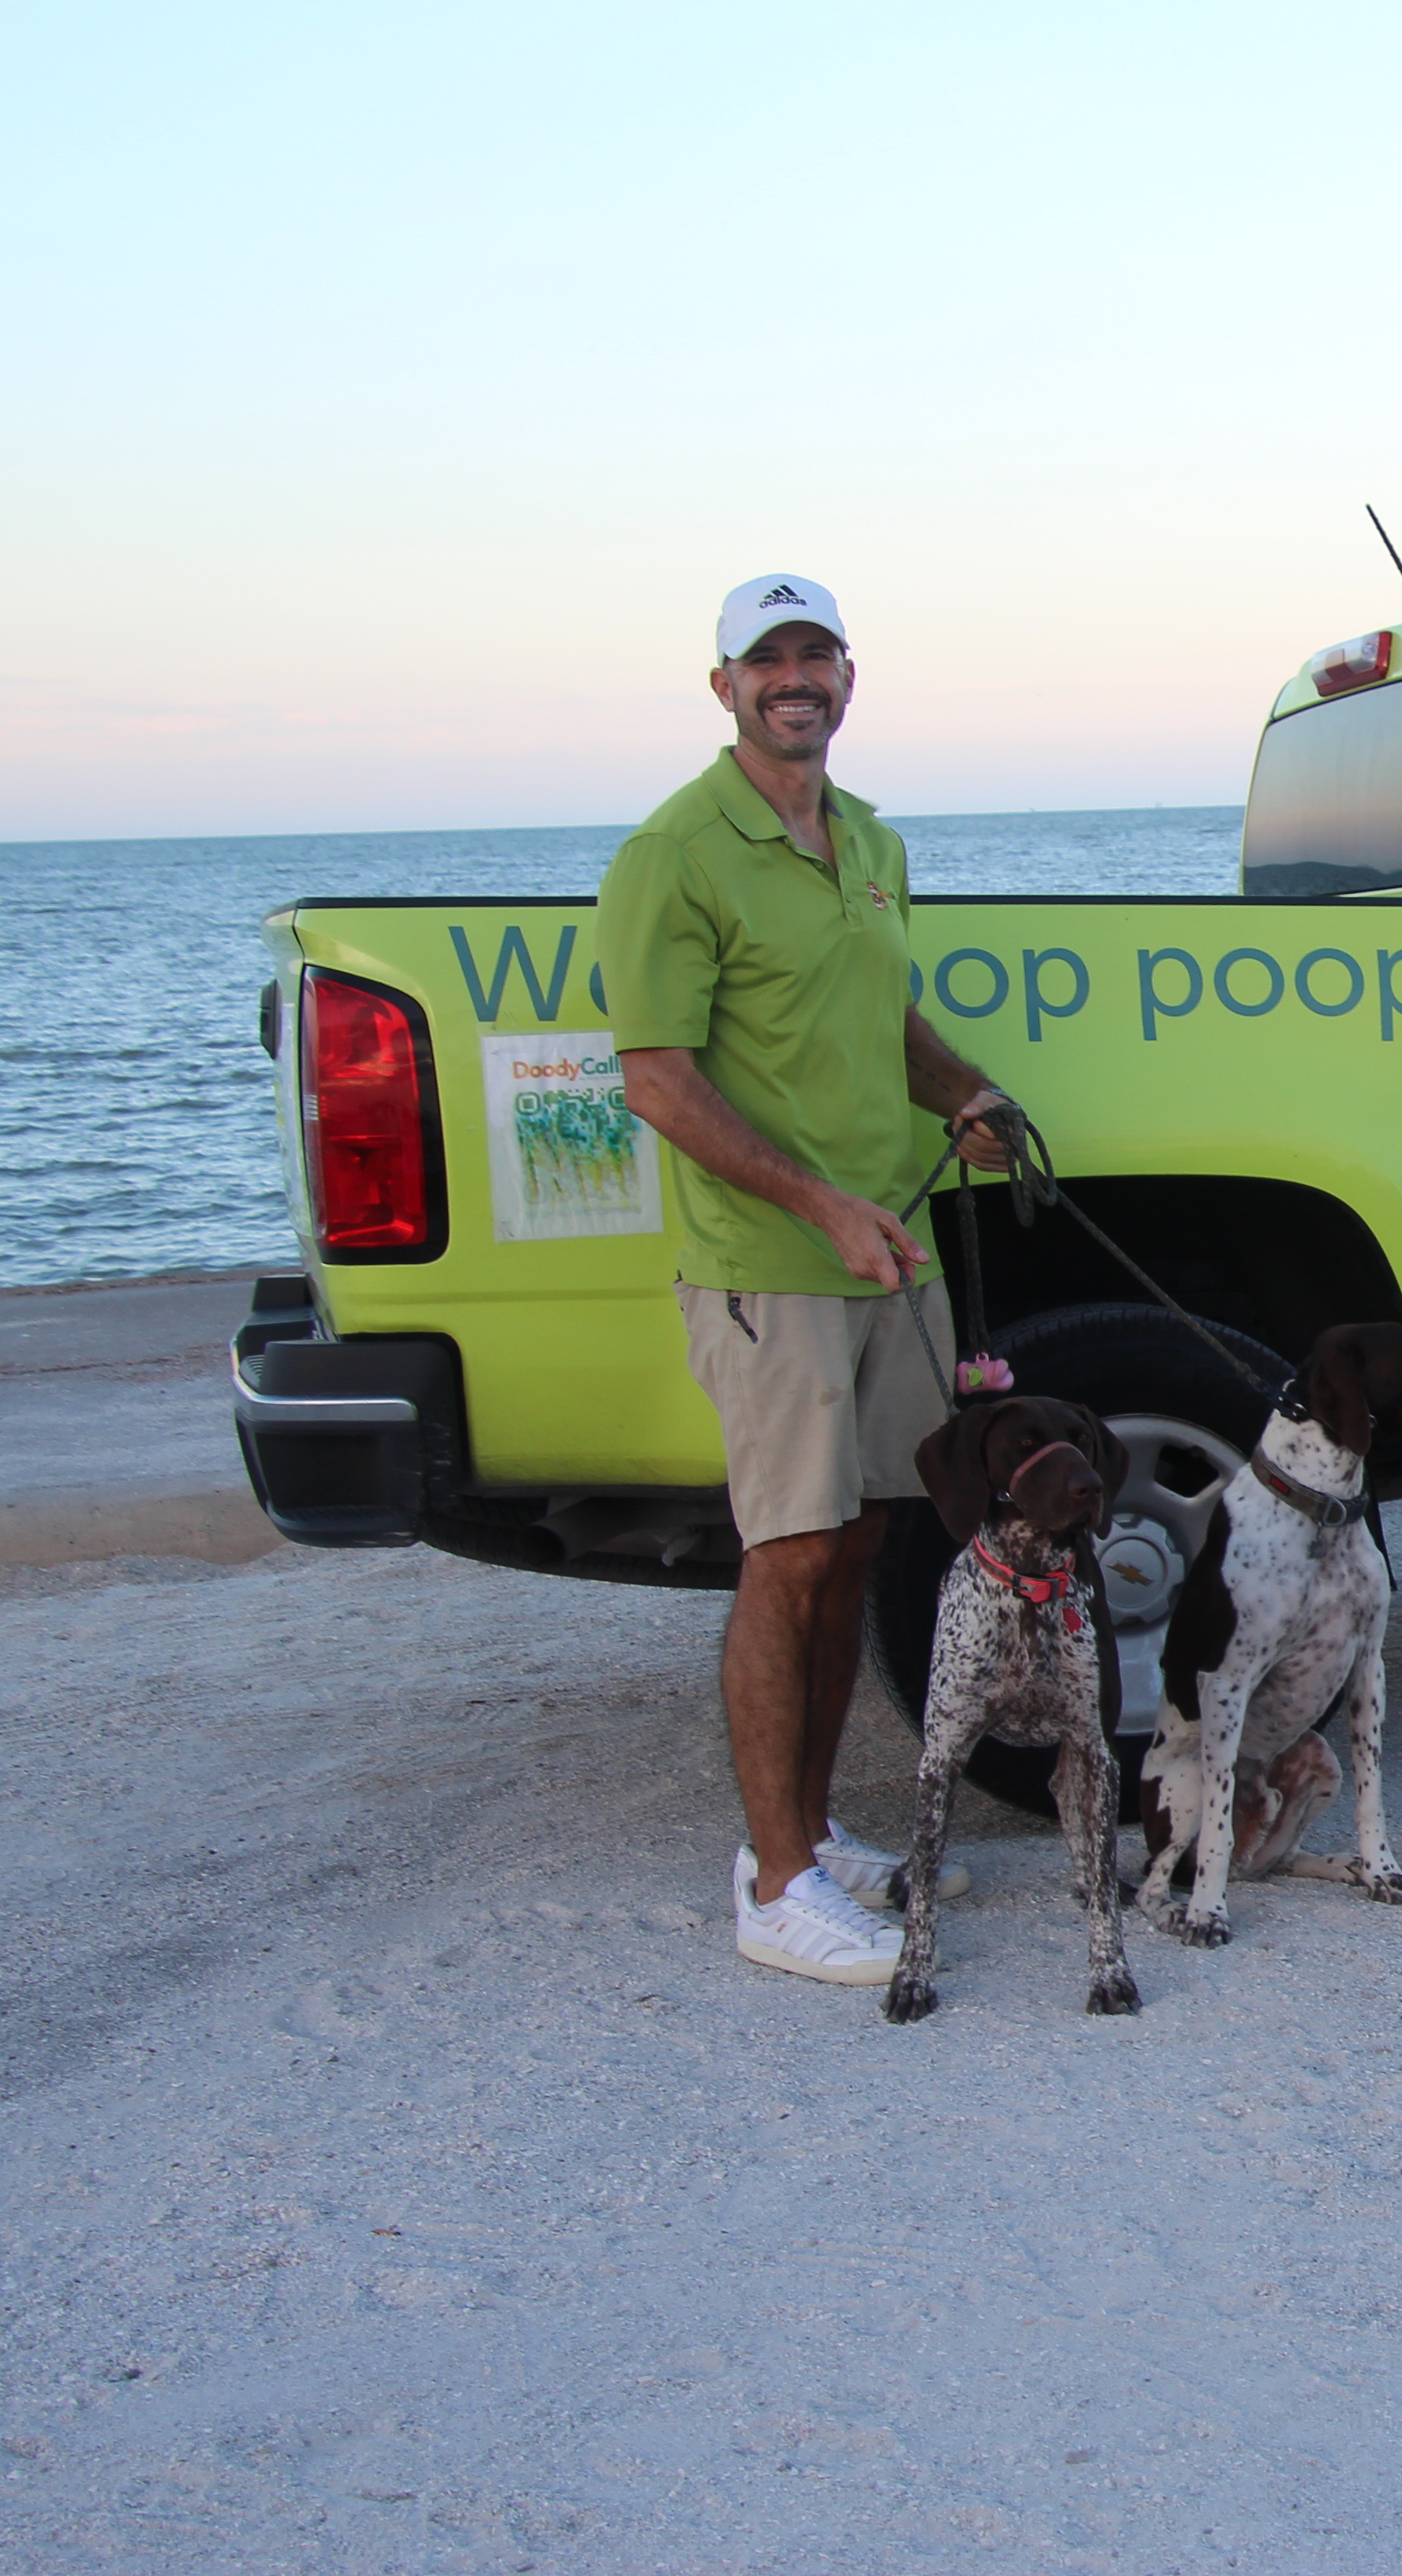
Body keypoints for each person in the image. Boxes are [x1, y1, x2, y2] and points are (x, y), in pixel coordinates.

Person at [600, 575, 1015, 1987]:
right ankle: (776, 1887)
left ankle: (822, 1835)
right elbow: (656, 1078)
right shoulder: (676, 853)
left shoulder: (870, 841)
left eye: (816, 655)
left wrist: (964, 1090)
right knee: (786, 1556)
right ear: (722, 687)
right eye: (766, 658)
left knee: (857, 1544)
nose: (796, 678)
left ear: (849, 678)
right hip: (768, 1262)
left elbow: (876, 1011)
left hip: (881, 1247)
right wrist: (816, 1204)